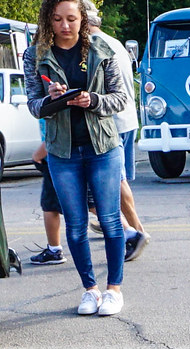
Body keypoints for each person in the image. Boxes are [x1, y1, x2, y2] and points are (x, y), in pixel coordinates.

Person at [25, 0, 129, 315]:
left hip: (103, 148)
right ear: (48, 20)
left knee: (110, 221)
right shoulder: (36, 54)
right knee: (75, 225)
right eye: (57, 19)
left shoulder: (101, 49)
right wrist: (52, 100)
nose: (65, 26)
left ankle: (114, 289)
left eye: (71, 19)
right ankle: (90, 290)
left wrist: (92, 99)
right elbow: (33, 104)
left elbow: (121, 98)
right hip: (62, 151)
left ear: (82, 19)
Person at [83, 1, 150, 262]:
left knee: (115, 182)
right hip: (126, 120)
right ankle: (126, 228)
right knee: (116, 182)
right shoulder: (116, 42)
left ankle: (136, 232)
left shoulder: (96, 47)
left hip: (111, 123)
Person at [29, 122, 67, 266]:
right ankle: (129, 233)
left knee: (49, 205)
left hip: (56, 155)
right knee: (92, 201)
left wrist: (37, 155)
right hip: (67, 154)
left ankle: (54, 250)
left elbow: (55, 131)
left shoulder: (52, 100)